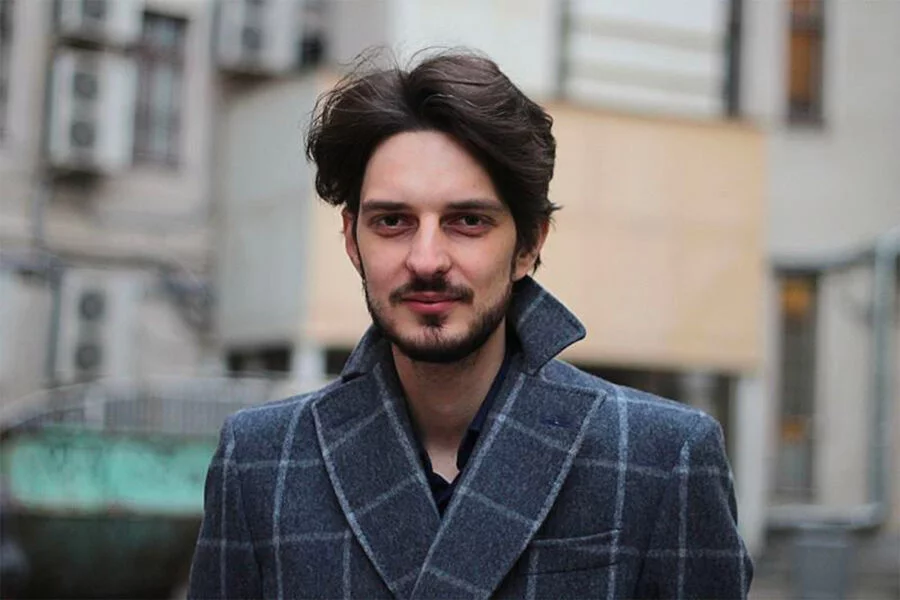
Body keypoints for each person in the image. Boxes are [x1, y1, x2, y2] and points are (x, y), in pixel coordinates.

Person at [188, 51, 752, 599]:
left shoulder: (661, 459)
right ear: (352, 241)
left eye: (467, 221)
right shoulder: (260, 461)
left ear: (528, 245)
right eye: (392, 221)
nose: (426, 259)